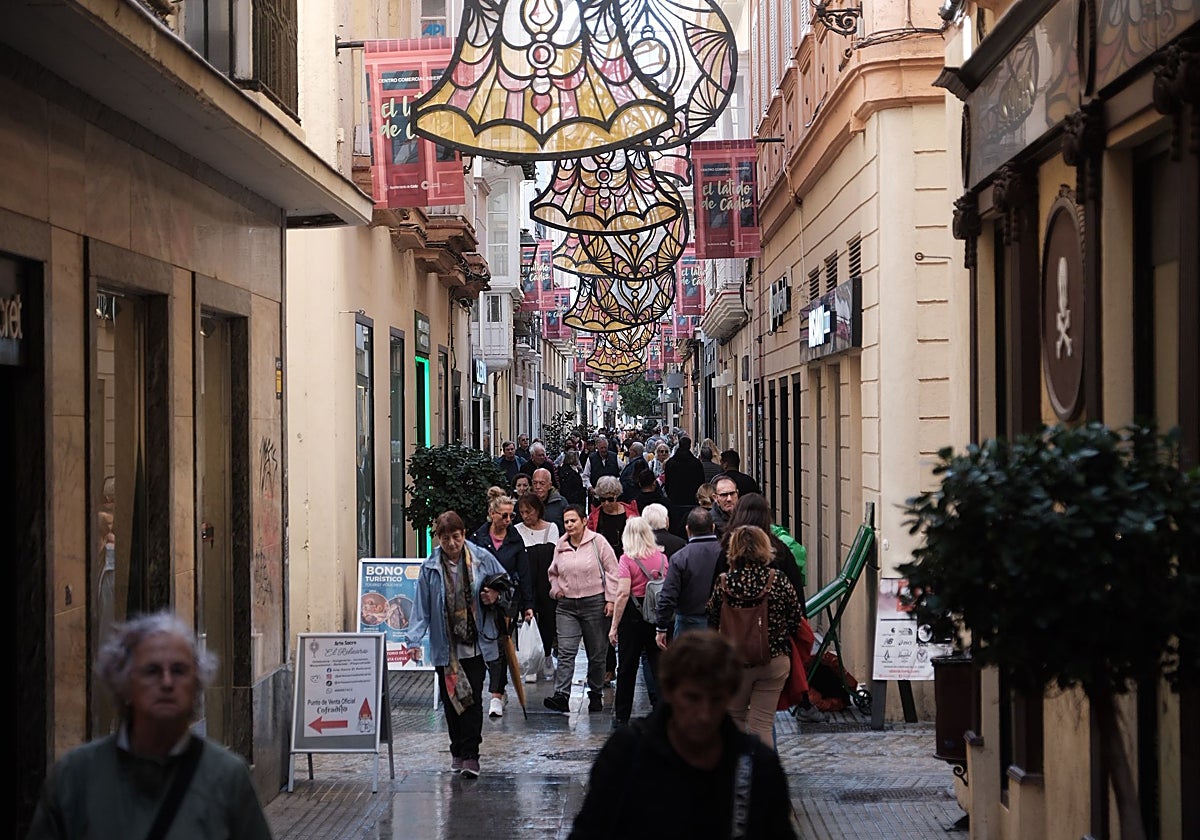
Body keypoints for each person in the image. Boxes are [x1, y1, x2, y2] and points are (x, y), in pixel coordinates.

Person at [26, 611, 275, 840]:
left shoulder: (228, 777)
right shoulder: (76, 775)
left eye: (179, 670)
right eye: (152, 670)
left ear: (196, 685)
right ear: (124, 683)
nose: (167, 682)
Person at [567, 630, 798, 839]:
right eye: (692, 698)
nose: (704, 715)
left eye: (716, 700)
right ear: (668, 691)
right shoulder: (628, 753)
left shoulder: (755, 765)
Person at [406, 510, 509, 778]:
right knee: (452, 702)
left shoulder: (480, 558)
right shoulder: (430, 568)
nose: (451, 543)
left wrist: (494, 595)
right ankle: (457, 751)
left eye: (456, 536)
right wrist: (413, 639)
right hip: (445, 646)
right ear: (438, 538)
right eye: (445, 538)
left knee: (472, 700)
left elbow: (507, 583)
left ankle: (472, 755)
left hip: (475, 643)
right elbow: (422, 608)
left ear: (463, 535)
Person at [707, 526, 802, 748]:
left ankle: (735, 775)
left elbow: (711, 619)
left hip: (734, 662)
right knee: (763, 723)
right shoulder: (777, 580)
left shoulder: (724, 582)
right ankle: (765, 776)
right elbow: (796, 619)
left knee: (734, 719)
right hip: (773, 659)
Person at [545, 505, 619, 714]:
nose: (569, 525)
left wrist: (610, 600)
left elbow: (613, 571)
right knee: (566, 651)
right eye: (566, 521)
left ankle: (595, 692)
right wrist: (556, 589)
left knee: (597, 653)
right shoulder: (560, 545)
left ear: (584, 521)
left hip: (594, 602)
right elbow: (553, 572)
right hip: (567, 605)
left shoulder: (598, 542)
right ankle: (561, 695)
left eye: (573, 521)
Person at [469, 488, 535, 718]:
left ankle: (496, 693)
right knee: (483, 645)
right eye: (504, 515)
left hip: (507, 601)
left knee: (501, 644)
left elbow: (524, 574)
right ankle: (496, 688)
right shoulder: (478, 539)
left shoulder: (515, 540)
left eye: (512, 516)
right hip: (480, 600)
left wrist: (528, 605)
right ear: (492, 513)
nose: (508, 520)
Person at [608, 516, 669, 728]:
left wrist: (614, 625)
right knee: (658, 666)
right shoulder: (662, 558)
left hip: (632, 617)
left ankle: (622, 715)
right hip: (656, 616)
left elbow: (623, 593)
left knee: (626, 668)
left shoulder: (626, 559)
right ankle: (663, 713)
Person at [655, 506, 723, 645]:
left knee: (687, 664)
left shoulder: (680, 557)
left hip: (688, 622)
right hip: (721, 622)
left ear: (687, 529)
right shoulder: (726, 553)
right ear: (713, 527)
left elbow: (668, 595)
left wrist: (661, 626)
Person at [662, 435, 706, 536]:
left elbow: (667, 482)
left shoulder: (670, 463)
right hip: (692, 501)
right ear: (689, 446)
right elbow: (701, 482)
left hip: (675, 501)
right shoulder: (696, 463)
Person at [532, 467, 567, 532]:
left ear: (549, 485)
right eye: (535, 483)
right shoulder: (526, 502)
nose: (538, 487)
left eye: (542, 483)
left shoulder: (561, 503)